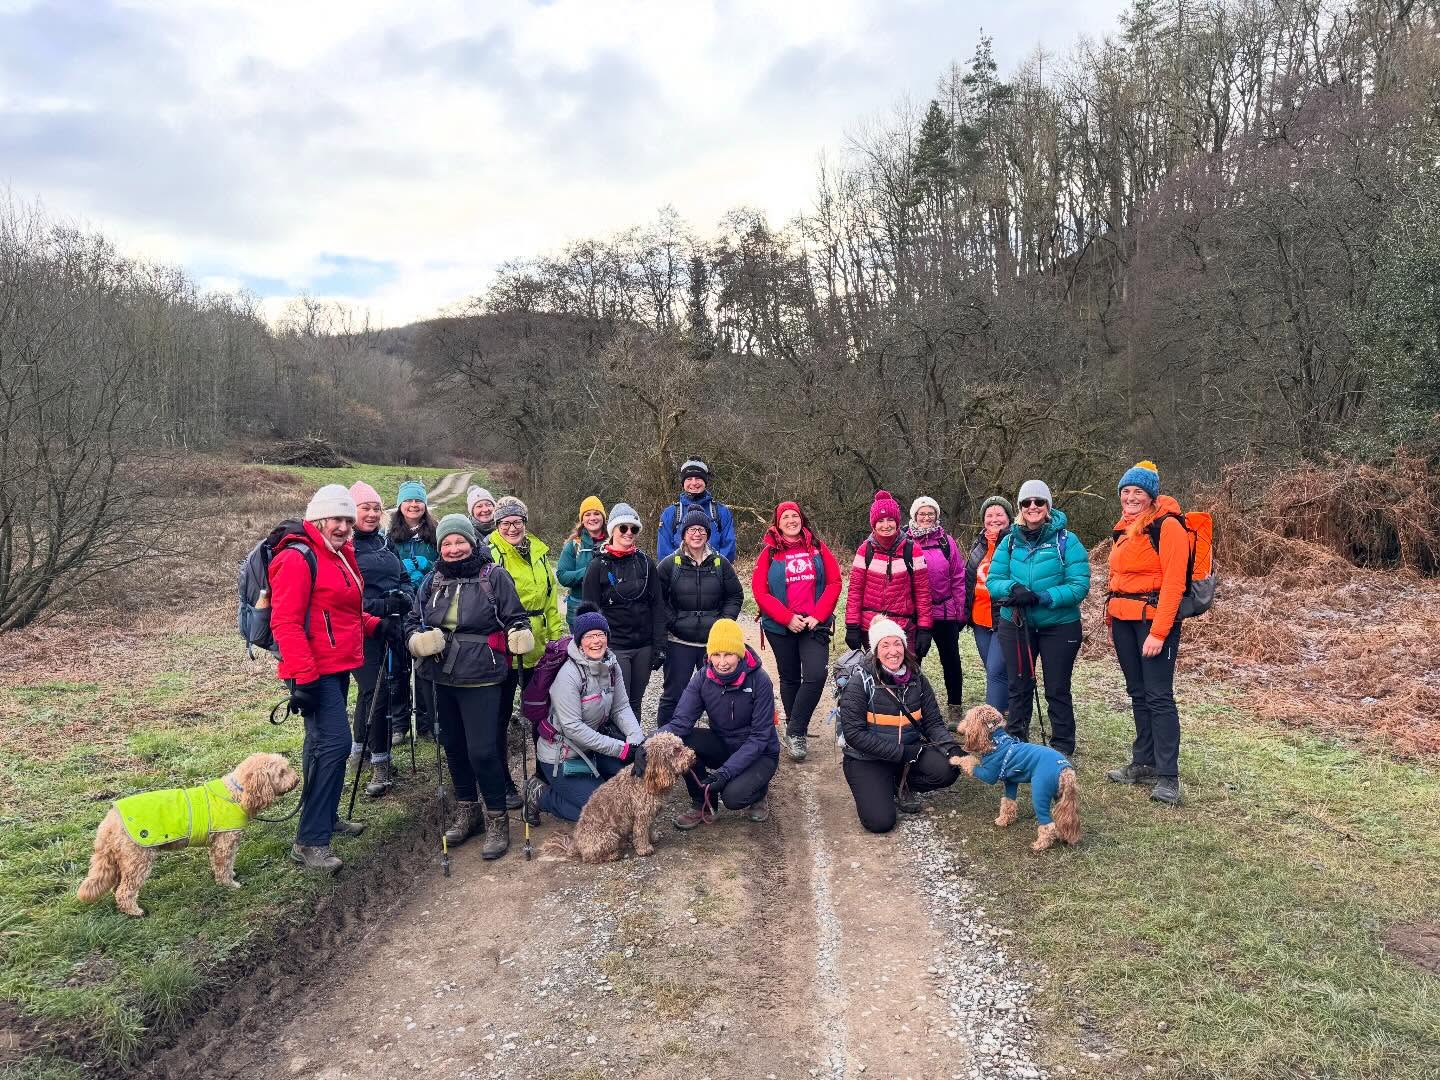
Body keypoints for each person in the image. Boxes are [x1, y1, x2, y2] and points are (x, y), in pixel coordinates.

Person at [405, 514, 533, 860]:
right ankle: (468, 811)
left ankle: (496, 818)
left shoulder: (495, 576)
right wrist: (416, 640)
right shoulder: (431, 582)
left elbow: (516, 616)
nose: (454, 548)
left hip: (484, 675)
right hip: (439, 676)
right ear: (439, 547)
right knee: (453, 747)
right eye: (447, 543)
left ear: (472, 542)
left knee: (482, 750)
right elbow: (412, 621)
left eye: (460, 541)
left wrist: (520, 634)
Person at [268, 484, 381, 873]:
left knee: (322, 745)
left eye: (348, 520)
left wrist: (375, 625)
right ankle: (310, 841)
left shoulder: (338, 554)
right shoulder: (298, 558)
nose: (345, 526)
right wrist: (304, 678)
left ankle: (325, 818)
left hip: (336, 664)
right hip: (313, 671)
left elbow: (338, 612)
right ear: (318, 519)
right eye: (337, 518)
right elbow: (285, 622)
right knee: (335, 744)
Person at [986, 480, 1091, 756]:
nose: (1033, 507)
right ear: (1020, 507)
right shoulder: (1008, 542)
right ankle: (1015, 742)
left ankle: (1062, 747)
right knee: (1018, 685)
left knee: (1057, 687)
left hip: (1059, 625)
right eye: (1026, 502)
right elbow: (993, 580)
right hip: (1017, 623)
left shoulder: (1067, 540)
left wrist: (1042, 597)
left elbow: (1079, 585)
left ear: (1048, 506)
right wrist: (1014, 589)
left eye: (1039, 502)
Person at [1104, 461, 1187, 806]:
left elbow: (1173, 584)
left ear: (1151, 495)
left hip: (1153, 622)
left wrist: (1159, 631)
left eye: (1138, 492)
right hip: (1123, 620)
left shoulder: (1168, 527)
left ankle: (1168, 776)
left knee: (1158, 696)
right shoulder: (1124, 528)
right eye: (1126, 491)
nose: (1131, 497)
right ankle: (1143, 761)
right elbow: (1118, 577)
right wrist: (1111, 618)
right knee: (1137, 692)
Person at [522, 604, 644, 825]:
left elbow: (621, 707)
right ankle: (540, 795)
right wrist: (622, 749)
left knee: (635, 784)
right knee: (604, 815)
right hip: (562, 756)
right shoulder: (569, 675)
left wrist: (637, 742)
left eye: (601, 634)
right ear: (579, 641)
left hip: (593, 750)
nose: (596, 641)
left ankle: (594, 784)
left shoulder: (611, 664)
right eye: (589, 636)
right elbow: (573, 729)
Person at [838, 618, 962, 834]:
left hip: (908, 753)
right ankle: (880, 786)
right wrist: (903, 752)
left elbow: (933, 722)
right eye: (885, 645)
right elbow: (854, 735)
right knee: (880, 823)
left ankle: (900, 783)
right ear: (875, 650)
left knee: (948, 768)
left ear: (905, 647)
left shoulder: (918, 679)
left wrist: (952, 749)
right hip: (868, 758)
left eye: (897, 644)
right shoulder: (859, 682)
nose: (892, 651)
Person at [662, 618, 780, 828]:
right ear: (709, 655)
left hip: (759, 753)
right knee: (682, 741)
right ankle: (703, 804)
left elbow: (760, 737)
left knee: (733, 798)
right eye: (716, 654)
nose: (722, 662)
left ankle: (759, 792)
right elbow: (680, 722)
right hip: (724, 743)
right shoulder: (702, 678)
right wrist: (648, 745)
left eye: (729, 654)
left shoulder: (760, 680)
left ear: (740, 653)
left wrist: (725, 773)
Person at [487, 495, 566, 807]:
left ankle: (544, 778)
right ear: (497, 525)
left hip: (539, 646)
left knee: (541, 713)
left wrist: (557, 639)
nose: (512, 527)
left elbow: (550, 598)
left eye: (517, 521)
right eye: (505, 522)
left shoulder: (539, 550)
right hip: (505, 646)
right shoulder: (489, 552)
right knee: (500, 715)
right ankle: (503, 783)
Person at [752, 500, 842, 762]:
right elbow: (760, 592)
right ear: (777, 523)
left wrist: (818, 615)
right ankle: (796, 735)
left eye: (795, 516)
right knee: (789, 678)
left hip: (814, 624)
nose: (791, 520)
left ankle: (795, 729)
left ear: (802, 519)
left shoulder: (817, 547)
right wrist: (787, 618)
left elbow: (835, 582)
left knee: (815, 674)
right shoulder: (768, 553)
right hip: (780, 626)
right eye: (785, 517)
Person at [348, 481, 412, 798]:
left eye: (376, 508)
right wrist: (379, 607)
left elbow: (402, 576)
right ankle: (380, 763)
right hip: (362, 631)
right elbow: (344, 597)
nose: (372, 514)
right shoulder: (345, 547)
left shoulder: (385, 543)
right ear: (351, 510)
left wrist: (405, 598)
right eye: (365, 508)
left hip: (392, 626)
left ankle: (359, 751)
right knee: (376, 691)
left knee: (376, 691)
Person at [657, 508, 744, 728]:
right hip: (679, 642)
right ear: (684, 534)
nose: (697, 534)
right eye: (692, 529)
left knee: (718, 695)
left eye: (702, 529)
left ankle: (721, 743)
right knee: (673, 696)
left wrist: (723, 623)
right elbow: (658, 600)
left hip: (712, 645)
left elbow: (735, 595)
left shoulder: (720, 564)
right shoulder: (669, 565)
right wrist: (674, 623)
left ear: (708, 533)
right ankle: (664, 742)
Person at [581, 503, 666, 714]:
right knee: (619, 703)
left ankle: (633, 744)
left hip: (643, 646)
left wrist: (660, 645)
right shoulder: (598, 566)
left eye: (634, 529)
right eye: (623, 528)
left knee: (636, 702)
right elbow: (589, 613)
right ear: (612, 531)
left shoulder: (646, 563)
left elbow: (657, 606)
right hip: (616, 645)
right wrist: (592, 648)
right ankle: (616, 746)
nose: (629, 533)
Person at [844, 490, 932, 655]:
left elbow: (923, 593)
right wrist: (852, 626)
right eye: (881, 521)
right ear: (873, 524)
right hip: (870, 627)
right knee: (877, 677)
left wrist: (925, 628)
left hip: (904, 627)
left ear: (897, 522)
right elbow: (855, 591)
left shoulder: (913, 551)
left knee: (906, 677)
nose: (886, 525)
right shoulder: (865, 550)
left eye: (890, 520)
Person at [906, 496, 967, 726]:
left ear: (937, 516)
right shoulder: (905, 542)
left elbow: (958, 576)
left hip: (945, 611)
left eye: (930, 513)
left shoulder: (946, 542)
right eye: (922, 513)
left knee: (951, 661)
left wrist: (959, 611)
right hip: (916, 613)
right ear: (914, 516)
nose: (926, 517)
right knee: (913, 660)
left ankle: (954, 708)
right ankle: (913, 706)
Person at [388, 479, 439, 739]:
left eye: (418, 500)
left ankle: (427, 724)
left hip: (428, 609)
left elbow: (444, 566)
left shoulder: (435, 534)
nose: (414, 504)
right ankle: (399, 724)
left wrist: (428, 570)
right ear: (400, 505)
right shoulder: (389, 538)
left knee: (425, 667)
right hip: (399, 610)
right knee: (398, 669)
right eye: (408, 500)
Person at [965, 496, 1015, 715]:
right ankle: (1010, 712)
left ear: (1009, 518)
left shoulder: (1016, 543)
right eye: (989, 515)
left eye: (999, 515)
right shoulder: (979, 544)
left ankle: (989, 727)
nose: (994, 519)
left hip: (1004, 618)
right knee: (994, 671)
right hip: (980, 619)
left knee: (996, 671)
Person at [656, 458, 737, 562]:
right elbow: (664, 552)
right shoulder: (670, 513)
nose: (694, 483)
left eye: (698, 478)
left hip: (714, 574)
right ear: (683, 482)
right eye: (689, 479)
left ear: (705, 481)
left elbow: (728, 547)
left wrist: (716, 569)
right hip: (681, 575)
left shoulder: (721, 512)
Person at [556, 496, 608, 630]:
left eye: (597, 513)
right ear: (582, 519)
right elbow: (563, 576)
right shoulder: (573, 545)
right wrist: (590, 571)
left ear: (603, 517)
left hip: (609, 609)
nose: (592, 518)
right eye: (587, 514)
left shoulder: (613, 542)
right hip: (579, 610)